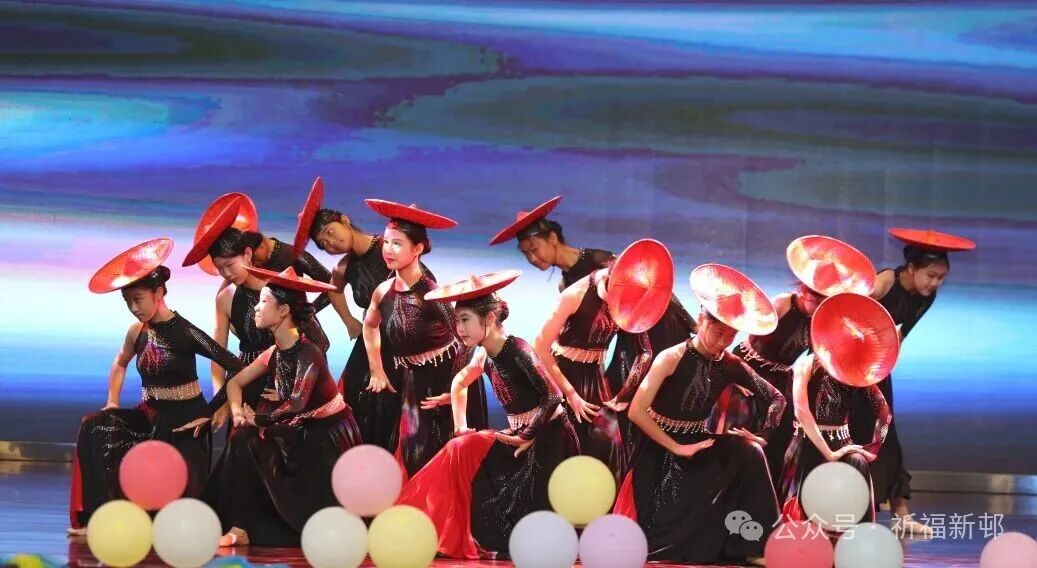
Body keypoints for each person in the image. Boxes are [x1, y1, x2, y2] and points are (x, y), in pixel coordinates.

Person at [396, 271, 579, 559]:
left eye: (465, 320)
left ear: (490, 318)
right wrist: (460, 427)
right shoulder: (482, 354)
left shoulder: (519, 350)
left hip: (549, 440)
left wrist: (527, 435)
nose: (459, 329)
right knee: (459, 447)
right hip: (519, 438)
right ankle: (427, 529)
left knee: (530, 536)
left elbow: (553, 395)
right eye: (457, 321)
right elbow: (459, 383)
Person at [176, 267, 361, 547]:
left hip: (324, 437)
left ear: (284, 310)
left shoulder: (309, 352)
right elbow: (235, 382)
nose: (256, 308)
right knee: (241, 439)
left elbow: (296, 404)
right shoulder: (273, 352)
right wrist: (238, 412)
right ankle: (238, 524)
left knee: (250, 439)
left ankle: (254, 524)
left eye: (263, 302)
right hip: (295, 428)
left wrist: (258, 420)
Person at [613, 263, 785, 565]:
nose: (723, 343)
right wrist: (677, 447)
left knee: (750, 451)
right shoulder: (671, 358)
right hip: (660, 450)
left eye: (730, 337)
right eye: (718, 333)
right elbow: (637, 411)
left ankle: (757, 545)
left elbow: (776, 399)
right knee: (661, 540)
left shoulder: (729, 363)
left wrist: (762, 435)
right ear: (702, 319)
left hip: (698, 443)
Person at [70, 238, 243, 533]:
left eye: (138, 299)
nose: (134, 308)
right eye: (128, 302)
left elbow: (236, 366)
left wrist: (211, 410)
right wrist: (112, 401)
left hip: (185, 422)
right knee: (95, 426)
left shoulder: (186, 332)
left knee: (179, 513)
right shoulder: (136, 332)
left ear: (159, 292)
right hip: (149, 415)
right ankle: (97, 519)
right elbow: (120, 363)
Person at [293, 179, 440, 449]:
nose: (331, 243)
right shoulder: (343, 267)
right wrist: (349, 321)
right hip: (371, 339)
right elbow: (333, 290)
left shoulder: (389, 247)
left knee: (398, 407)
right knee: (358, 397)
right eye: (323, 244)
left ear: (344, 220)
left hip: (404, 340)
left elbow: (425, 283)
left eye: (330, 232)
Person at [850, 227, 976, 536]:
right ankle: (843, 512)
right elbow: (846, 315)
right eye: (931, 275)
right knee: (848, 437)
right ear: (911, 268)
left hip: (876, 369)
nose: (935, 283)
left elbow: (899, 336)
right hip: (848, 365)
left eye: (941, 278)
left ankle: (901, 516)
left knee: (886, 437)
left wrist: (881, 368)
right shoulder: (884, 282)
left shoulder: (926, 297)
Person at [732, 235, 875, 481]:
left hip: (781, 380)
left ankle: (772, 494)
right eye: (815, 297)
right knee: (745, 429)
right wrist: (738, 376)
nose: (819, 304)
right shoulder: (782, 303)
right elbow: (746, 332)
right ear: (802, 289)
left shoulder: (822, 319)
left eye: (825, 299)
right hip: (750, 369)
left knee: (781, 435)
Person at [362, 199, 487, 475]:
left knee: (439, 456)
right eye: (385, 242)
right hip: (413, 380)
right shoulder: (383, 291)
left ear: (417, 249)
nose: (388, 250)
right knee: (412, 452)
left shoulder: (432, 295)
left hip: (445, 377)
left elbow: (467, 341)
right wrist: (376, 369)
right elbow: (369, 326)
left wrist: (455, 389)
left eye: (397, 244)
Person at [532, 240, 670, 481]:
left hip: (596, 377)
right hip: (562, 374)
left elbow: (645, 352)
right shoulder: (575, 295)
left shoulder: (631, 296)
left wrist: (623, 396)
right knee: (563, 447)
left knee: (608, 448)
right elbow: (539, 348)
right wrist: (570, 395)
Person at [779, 292, 896, 525]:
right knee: (799, 516)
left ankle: (855, 539)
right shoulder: (806, 365)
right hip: (807, 446)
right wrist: (828, 452)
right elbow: (801, 411)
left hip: (841, 447)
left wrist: (873, 449)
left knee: (854, 478)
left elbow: (884, 413)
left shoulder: (853, 373)